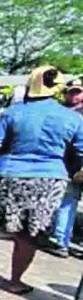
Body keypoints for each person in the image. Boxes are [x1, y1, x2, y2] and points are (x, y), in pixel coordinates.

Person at [0, 66, 83, 291]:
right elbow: (81, 152)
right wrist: (64, 170)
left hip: (5, 174)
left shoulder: (12, 113)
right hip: (49, 179)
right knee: (29, 232)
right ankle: (15, 282)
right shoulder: (72, 118)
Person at [49, 77, 83, 257]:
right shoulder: (61, 111)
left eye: (78, 92)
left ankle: (61, 239)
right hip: (66, 165)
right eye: (72, 92)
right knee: (66, 202)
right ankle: (61, 240)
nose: (75, 96)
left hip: (75, 165)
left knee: (66, 203)